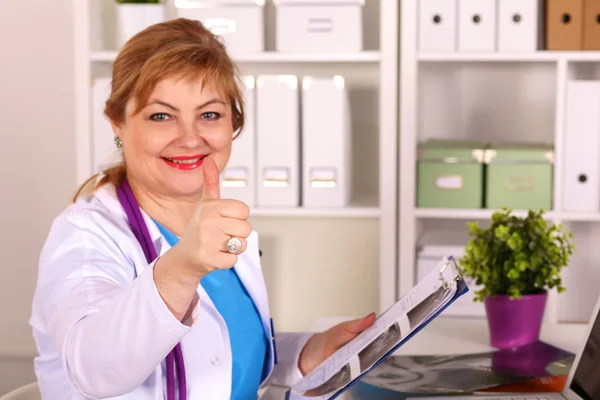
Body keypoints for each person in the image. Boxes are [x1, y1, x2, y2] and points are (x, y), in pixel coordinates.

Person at [29, 18, 376, 400]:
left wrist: (307, 354)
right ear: (118, 124)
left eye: (209, 114)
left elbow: (217, 354)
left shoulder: (217, 223)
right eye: (161, 115)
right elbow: (92, 369)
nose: (190, 138)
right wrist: (182, 267)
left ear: (233, 124)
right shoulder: (84, 236)